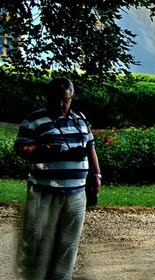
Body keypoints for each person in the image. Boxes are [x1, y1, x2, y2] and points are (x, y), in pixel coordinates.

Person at [14, 77, 102, 280]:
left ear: (72, 98)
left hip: (76, 192)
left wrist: (96, 174)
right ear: (48, 97)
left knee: (68, 244)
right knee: (38, 244)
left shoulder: (80, 119)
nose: (61, 105)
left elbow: (90, 147)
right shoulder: (35, 119)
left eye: (66, 100)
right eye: (57, 100)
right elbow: (20, 148)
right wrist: (41, 149)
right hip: (44, 191)